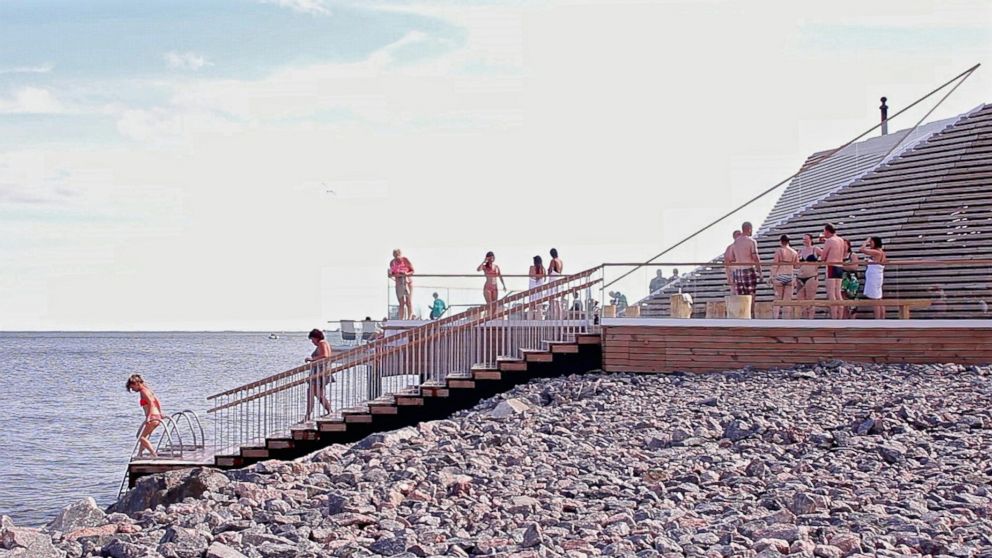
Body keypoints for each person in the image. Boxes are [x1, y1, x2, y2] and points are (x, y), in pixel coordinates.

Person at [126, 374, 163, 458]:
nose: (132, 390)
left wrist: (149, 417)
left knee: (140, 437)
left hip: (152, 417)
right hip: (156, 416)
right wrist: (160, 414)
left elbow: (150, 403)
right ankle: (140, 454)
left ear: (136, 383)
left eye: (132, 388)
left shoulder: (143, 391)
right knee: (143, 437)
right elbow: (156, 401)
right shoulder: (148, 390)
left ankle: (154, 454)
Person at [727, 222, 762, 311]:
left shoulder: (735, 242)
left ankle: (742, 317)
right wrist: (760, 272)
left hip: (738, 271)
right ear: (749, 229)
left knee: (741, 297)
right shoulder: (751, 241)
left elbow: (730, 258)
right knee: (751, 296)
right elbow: (755, 257)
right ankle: (750, 316)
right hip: (749, 269)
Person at [304, 328, 333, 421]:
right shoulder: (324, 343)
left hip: (320, 372)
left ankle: (308, 415)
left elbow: (325, 355)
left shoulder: (322, 343)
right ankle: (329, 411)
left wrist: (311, 359)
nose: (312, 342)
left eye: (312, 339)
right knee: (317, 394)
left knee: (312, 393)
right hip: (320, 372)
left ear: (316, 337)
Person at [820, 223, 846, 319]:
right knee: (838, 292)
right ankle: (840, 316)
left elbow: (823, 256)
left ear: (827, 231)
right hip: (839, 266)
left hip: (831, 266)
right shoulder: (841, 240)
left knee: (831, 293)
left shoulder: (829, 241)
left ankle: (834, 318)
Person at [770, 234, 799, 319]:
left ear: (781, 241)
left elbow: (775, 264)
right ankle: (786, 319)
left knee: (778, 299)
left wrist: (772, 276)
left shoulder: (779, 251)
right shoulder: (794, 252)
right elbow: (796, 266)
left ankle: (775, 318)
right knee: (787, 300)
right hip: (790, 275)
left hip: (780, 274)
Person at [795, 234, 822, 319]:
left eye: (806, 239)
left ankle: (810, 319)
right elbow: (796, 264)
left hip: (811, 275)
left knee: (810, 299)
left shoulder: (815, 249)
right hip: (800, 276)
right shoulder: (800, 251)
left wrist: (818, 264)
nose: (805, 241)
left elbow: (824, 256)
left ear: (811, 240)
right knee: (800, 299)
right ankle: (804, 318)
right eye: (803, 239)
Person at [860, 236, 887, 319]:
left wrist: (866, 241)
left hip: (874, 277)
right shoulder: (880, 252)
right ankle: (881, 318)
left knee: (875, 300)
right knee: (879, 299)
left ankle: (878, 319)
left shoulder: (877, 252)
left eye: (871, 242)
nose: (870, 244)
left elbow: (862, 249)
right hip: (876, 276)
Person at [388, 249, 415, 320]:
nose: (396, 257)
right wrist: (390, 274)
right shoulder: (392, 262)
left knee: (408, 301)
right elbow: (391, 273)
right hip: (398, 283)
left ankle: (409, 318)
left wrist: (406, 273)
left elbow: (412, 271)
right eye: (395, 255)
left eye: (397, 255)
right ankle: (401, 318)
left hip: (407, 281)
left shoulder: (405, 260)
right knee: (401, 303)